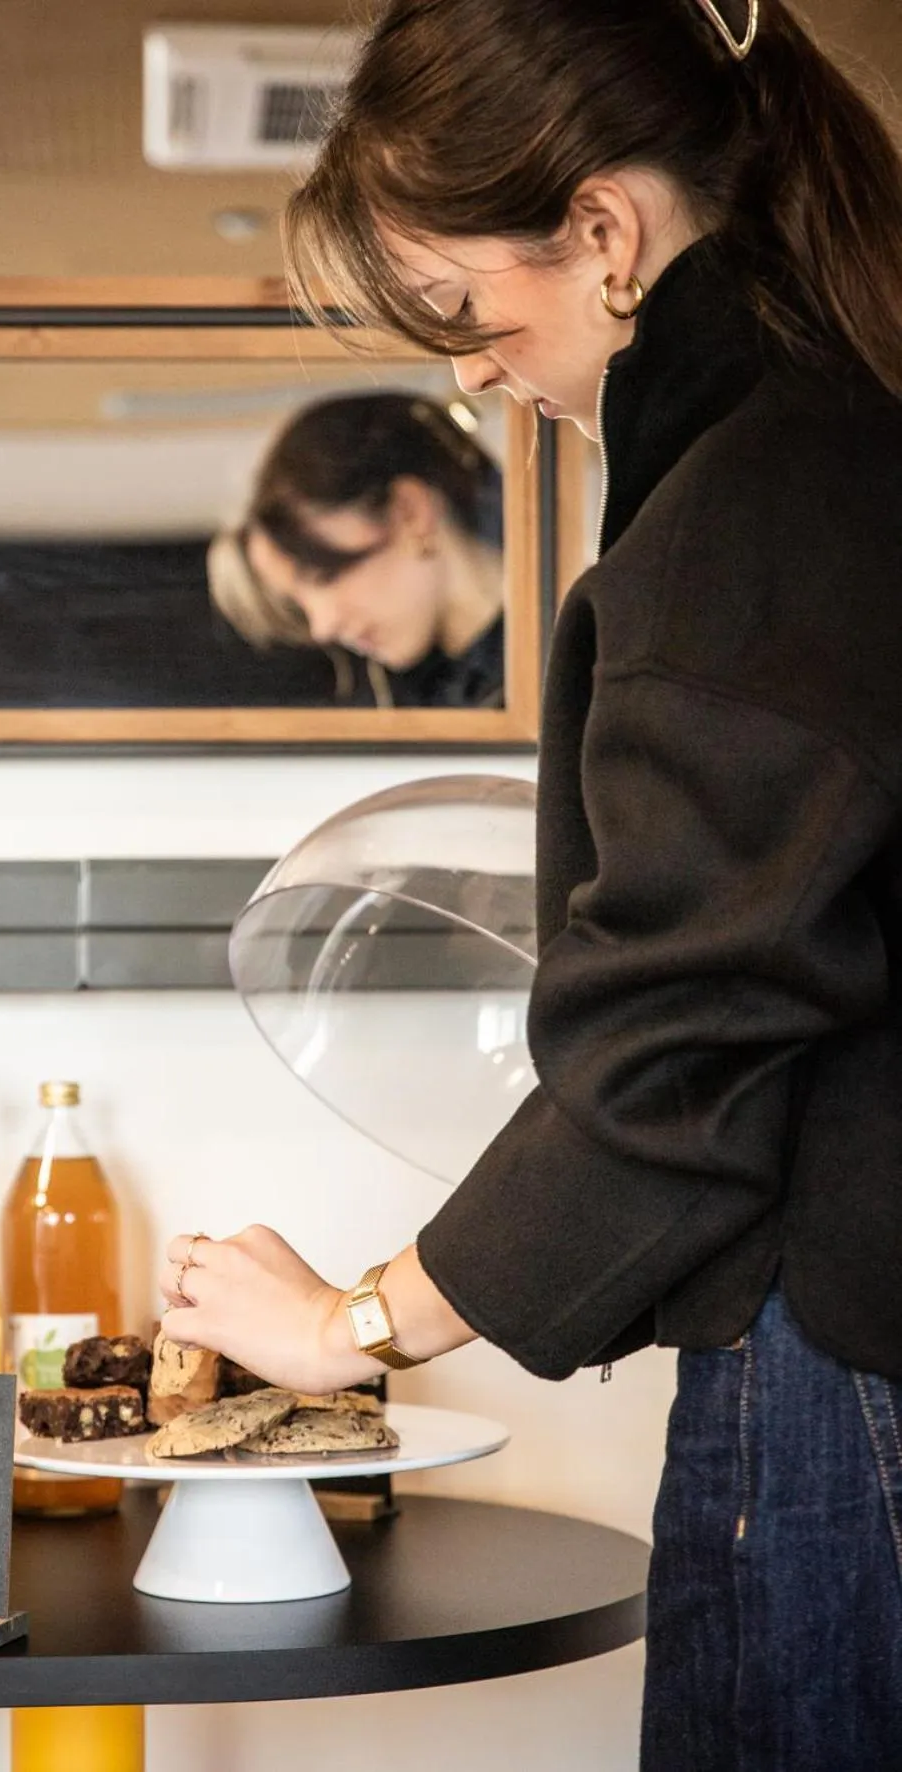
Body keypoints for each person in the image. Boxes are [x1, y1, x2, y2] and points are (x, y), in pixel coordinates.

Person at [160, 0, 902, 1764]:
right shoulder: (848, 437)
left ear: (601, 232)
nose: (469, 376)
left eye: (459, 314)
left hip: (848, 1366)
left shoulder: (747, 518)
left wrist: (358, 1322)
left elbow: (681, 1049)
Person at [208, 391, 505, 707]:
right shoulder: (410, 707)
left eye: (325, 575)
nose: (323, 627)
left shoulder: (555, 658)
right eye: (299, 604)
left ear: (411, 512)